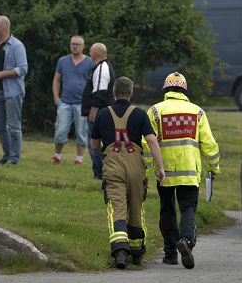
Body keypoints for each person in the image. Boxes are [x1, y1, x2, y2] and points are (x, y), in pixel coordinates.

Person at [144, 72, 220, 269]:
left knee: (167, 209)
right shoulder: (197, 112)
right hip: (189, 171)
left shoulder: (154, 111)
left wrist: (144, 169)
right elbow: (209, 144)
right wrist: (214, 167)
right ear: (184, 90)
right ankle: (186, 241)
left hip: (165, 171)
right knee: (187, 208)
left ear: (166, 89)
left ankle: (170, 253)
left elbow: (146, 144)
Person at [91, 77, 166, 269]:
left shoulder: (102, 114)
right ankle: (137, 253)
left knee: (117, 207)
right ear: (131, 93)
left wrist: (105, 147)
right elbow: (151, 140)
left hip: (113, 164)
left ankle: (120, 251)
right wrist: (160, 168)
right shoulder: (140, 114)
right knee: (135, 208)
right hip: (136, 167)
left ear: (114, 92)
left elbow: (94, 145)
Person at [0, 16, 28, 166]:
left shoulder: (17, 45)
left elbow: (22, 69)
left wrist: (2, 74)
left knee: (14, 127)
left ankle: (14, 159)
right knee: (0, 127)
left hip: (13, 92)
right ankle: (6, 156)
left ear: (2, 27)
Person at [50, 36, 94, 165]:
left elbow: (93, 83)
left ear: (83, 46)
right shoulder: (63, 61)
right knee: (60, 131)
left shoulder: (90, 62)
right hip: (65, 102)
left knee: (81, 132)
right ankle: (57, 156)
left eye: (77, 44)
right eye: (72, 44)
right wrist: (56, 98)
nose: (74, 46)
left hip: (82, 104)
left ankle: (79, 159)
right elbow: (56, 80)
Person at [81, 43, 115, 180]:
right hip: (103, 112)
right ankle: (102, 172)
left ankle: (100, 173)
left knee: (95, 144)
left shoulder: (102, 68)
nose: (89, 54)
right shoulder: (102, 67)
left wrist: (93, 111)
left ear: (95, 54)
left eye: (90, 52)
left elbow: (100, 92)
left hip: (100, 113)